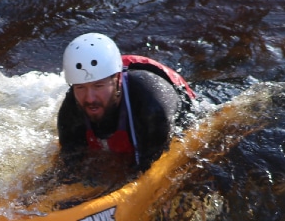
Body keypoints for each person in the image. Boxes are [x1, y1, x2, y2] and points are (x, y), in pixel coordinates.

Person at [57, 32, 195, 171]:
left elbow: (148, 168)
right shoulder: (70, 109)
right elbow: (69, 165)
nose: (89, 98)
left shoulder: (151, 105)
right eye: (80, 87)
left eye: (98, 86)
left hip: (184, 114)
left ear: (117, 79)